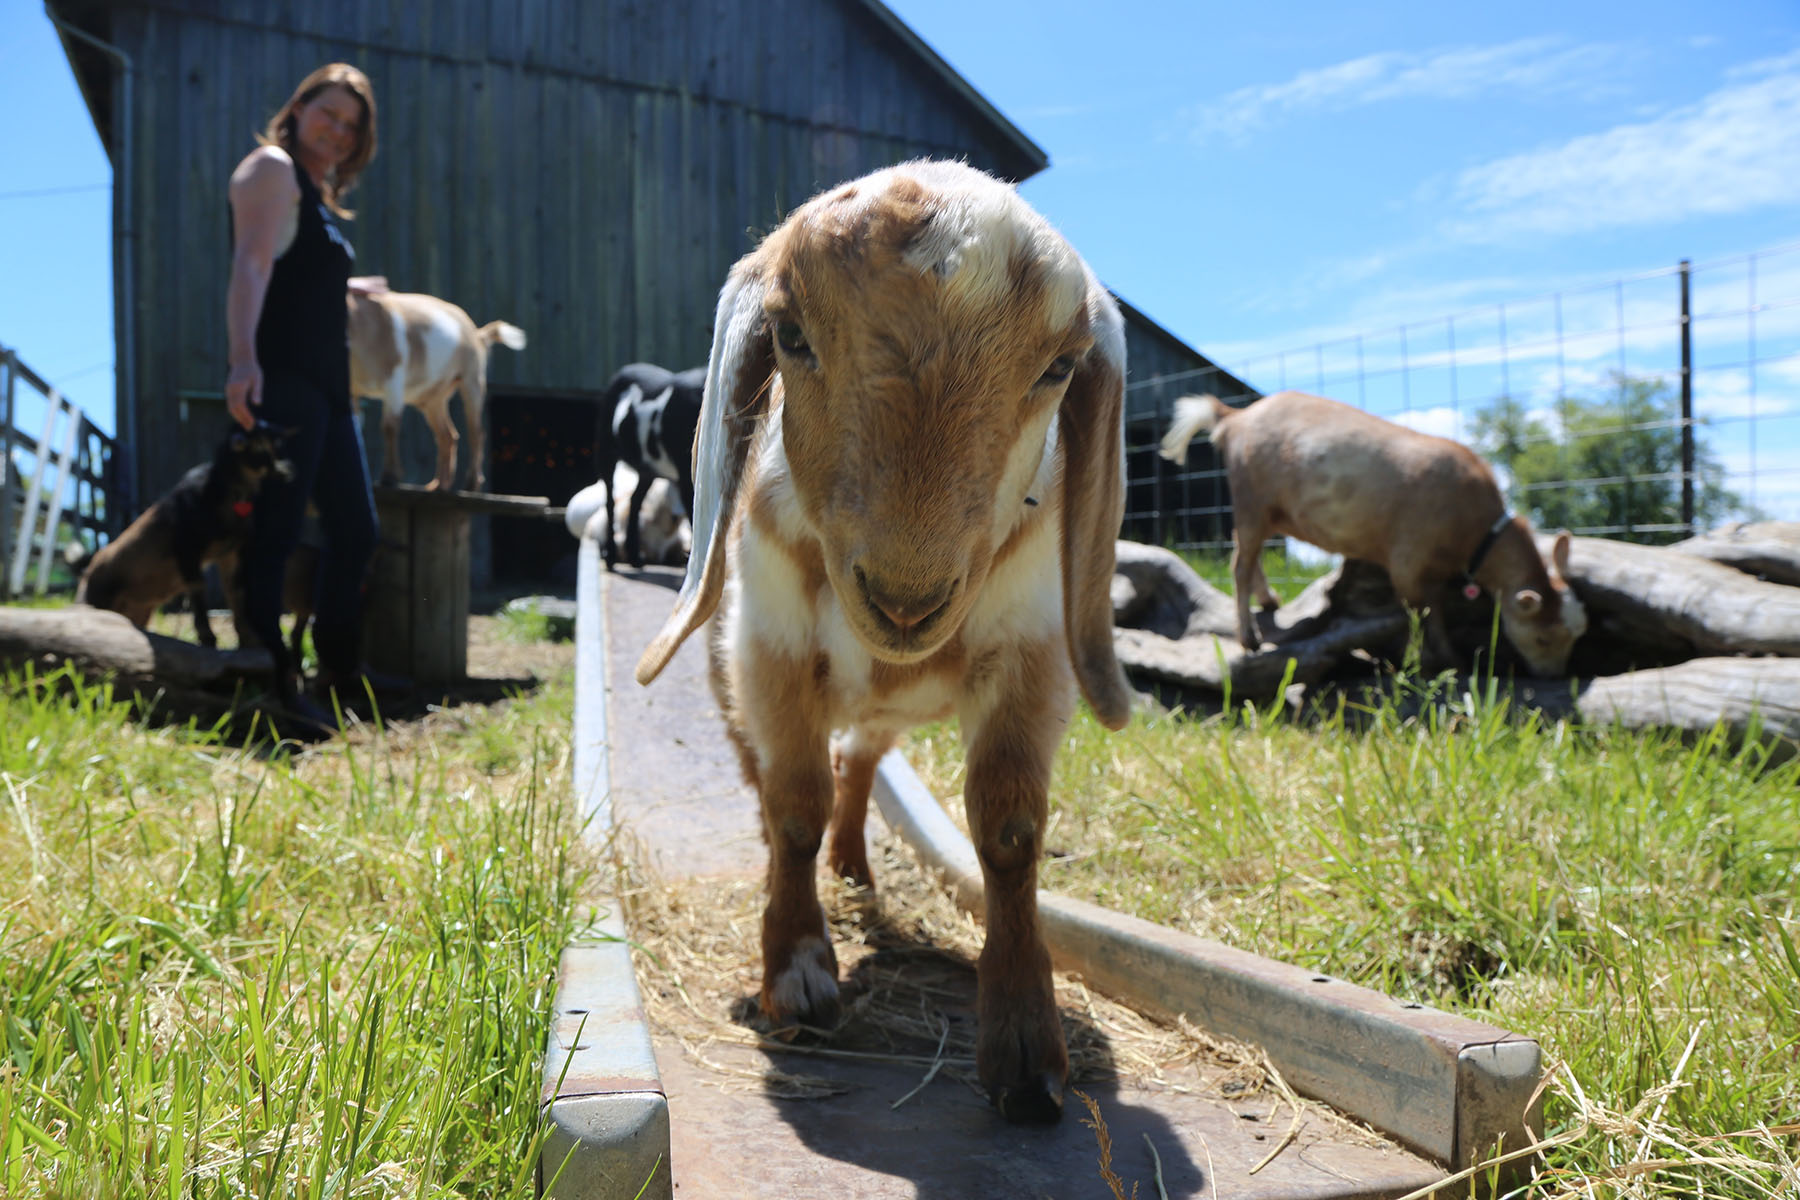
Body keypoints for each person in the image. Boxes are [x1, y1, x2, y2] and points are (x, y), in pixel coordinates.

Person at [225, 62, 395, 726]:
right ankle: (267, 680)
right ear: (297, 107)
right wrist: (242, 361)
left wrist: (351, 289)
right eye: (328, 113)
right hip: (282, 379)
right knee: (276, 530)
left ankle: (339, 672)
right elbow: (252, 263)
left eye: (351, 126)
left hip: (327, 389)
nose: (338, 131)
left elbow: (297, 270)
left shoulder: (316, 196)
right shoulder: (270, 167)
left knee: (357, 529)